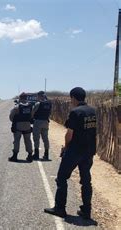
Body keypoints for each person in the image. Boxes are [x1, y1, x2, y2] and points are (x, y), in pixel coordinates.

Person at [44, 87, 97, 220]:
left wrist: (66, 148)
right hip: (88, 151)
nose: (70, 101)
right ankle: (86, 210)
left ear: (73, 97)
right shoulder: (93, 111)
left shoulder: (75, 112)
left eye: (70, 98)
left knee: (62, 178)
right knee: (86, 181)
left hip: (75, 151)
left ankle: (60, 208)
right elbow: (94, 132)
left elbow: (69, 134)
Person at [8, 93, 34, 162]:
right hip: (27, 125)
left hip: (18, 125)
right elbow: (32, 116)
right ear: (26, 98)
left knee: (17, 140)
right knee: (28, 140)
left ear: (20, 98)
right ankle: (30, 155)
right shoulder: (30, 106)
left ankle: (15, 156)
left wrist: (15, 121)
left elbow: (11, 117)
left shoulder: (17, 106)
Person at [32, 91, 52, 160]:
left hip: (38, 122)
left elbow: (32, 112)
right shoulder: (49, 104)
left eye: (37, 96)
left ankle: (36, 154)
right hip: (46, 122)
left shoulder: (38, 104)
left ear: (40, 96)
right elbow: (50, 113)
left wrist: (32, 119)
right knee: (45, 138)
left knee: (36, 138)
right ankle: (46, 154)